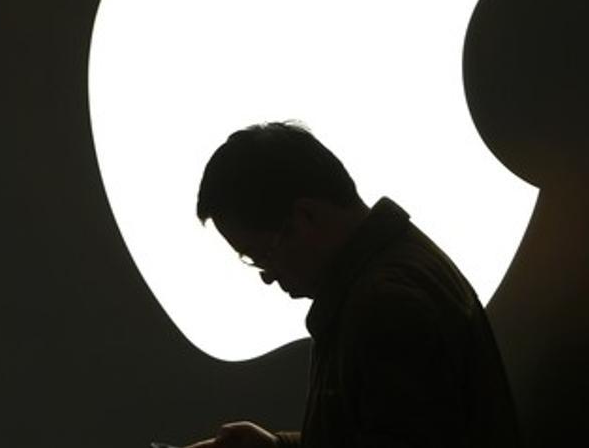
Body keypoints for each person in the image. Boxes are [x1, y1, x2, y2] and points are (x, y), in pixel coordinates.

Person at [183, 121, 521, 448]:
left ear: (306, 217)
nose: (267, 275)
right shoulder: (397, 271)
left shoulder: (387, 307)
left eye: (262, 254)